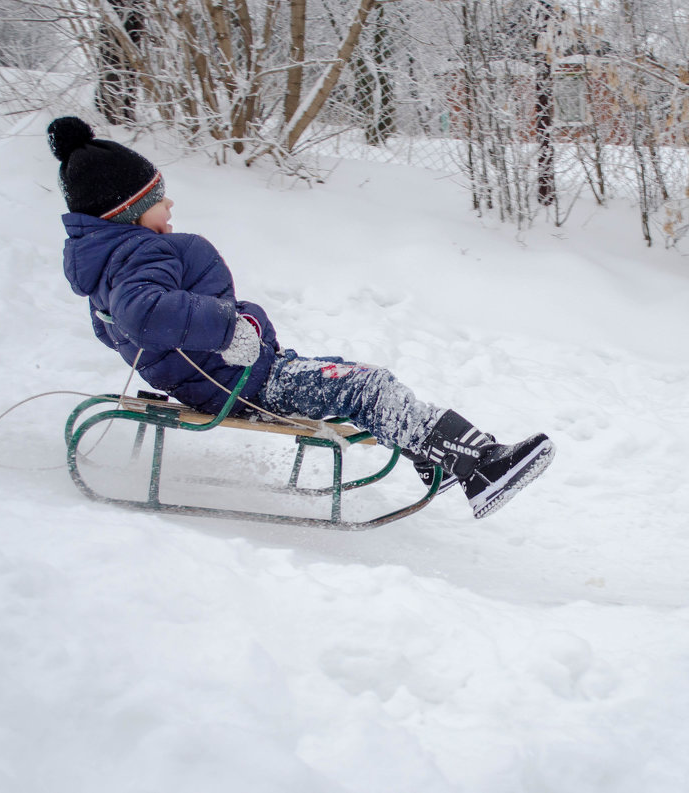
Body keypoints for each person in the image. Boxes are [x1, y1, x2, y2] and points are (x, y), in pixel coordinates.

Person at [47, 116, 553, 519]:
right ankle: (482, 467)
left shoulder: (112, 268)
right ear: (125, 211)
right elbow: (145, 314)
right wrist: (228, 330)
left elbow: (123, 325)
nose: (170, 203)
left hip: (232, 377)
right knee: (367, 387)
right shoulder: (142, 255)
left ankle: (433, 453)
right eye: (157, 198)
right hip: (242, 382)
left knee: (350, 376)